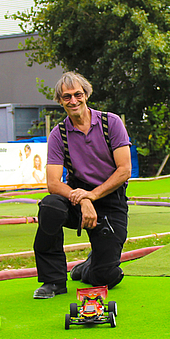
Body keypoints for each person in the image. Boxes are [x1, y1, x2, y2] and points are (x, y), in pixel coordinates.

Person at [32, 71, 131, 299]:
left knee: (107, 276)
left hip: (110, 199)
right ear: (60, 100)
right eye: (67, 97)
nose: (73, 101)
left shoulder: (111, 123)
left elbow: (124, 170)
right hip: (76, 198)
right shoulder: (59, 134)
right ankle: (53, 281)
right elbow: (53, 183)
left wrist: (93, 196)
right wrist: (84, 198)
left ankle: (86, 268)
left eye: (78, 94)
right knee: (50, 207)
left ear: (86, 95)